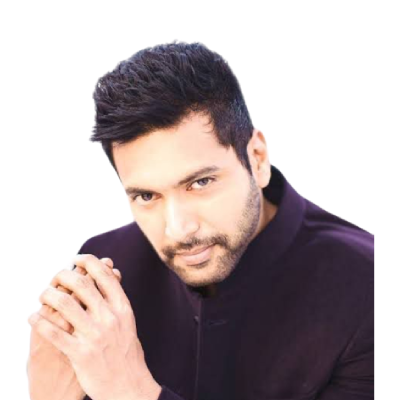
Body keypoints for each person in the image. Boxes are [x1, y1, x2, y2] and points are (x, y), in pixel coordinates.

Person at [29, 40, 376, 400]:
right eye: (146, 196)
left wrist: (131, 390)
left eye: (200, 183)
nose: (179, 229)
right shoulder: (106, 267)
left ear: (257, 158)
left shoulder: (366, 290)